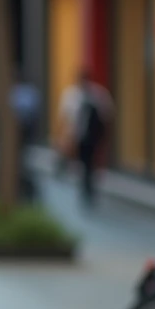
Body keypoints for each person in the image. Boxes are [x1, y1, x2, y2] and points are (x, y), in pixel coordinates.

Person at [58, 69, 114, 206]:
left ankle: (88, 188)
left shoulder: (98, 94)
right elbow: (64, 118)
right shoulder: (72, 95)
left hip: (92, 137)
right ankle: (86, 187)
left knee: (88, 164)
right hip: (77, 136)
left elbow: (107, 116)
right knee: (84, 164)